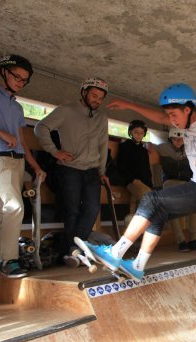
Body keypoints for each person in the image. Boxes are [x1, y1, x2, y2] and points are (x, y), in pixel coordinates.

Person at [85, 83, 196, 279]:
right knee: (157, 214)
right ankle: (137, 265)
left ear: (188, 109)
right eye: (169, 115)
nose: (171, 120)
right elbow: (159, 117)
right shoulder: (186, 123)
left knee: (151, 200)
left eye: (174, 114)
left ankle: (115, 253)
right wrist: (129, 105)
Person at [0, 54, 45, 277]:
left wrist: (36, 167)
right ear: (4, 72)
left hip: (18, 160)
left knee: (2, 212)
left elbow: (22, 141)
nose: (20, 82)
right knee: (15, 206)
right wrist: (0, 133)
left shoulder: (18, 108)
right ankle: (9, 260)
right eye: (16, 76)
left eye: (24, 80)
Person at [34, 77, 110, 265]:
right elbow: (40, 127)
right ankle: (72, 252)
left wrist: (102, 171)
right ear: (83, 92)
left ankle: (73, 250)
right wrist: (55, 152)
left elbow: (103, 145)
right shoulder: (66, 110)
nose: (97, 101)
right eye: (94, 95)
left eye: (101, 98)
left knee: (93, 208)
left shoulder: (102, 117)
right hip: (69, 169)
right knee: (72, 211)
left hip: (92, 170)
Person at [156, 127, 196, 252]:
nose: (178, 141)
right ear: (170, 139)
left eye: (181, 139)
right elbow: (148, 146)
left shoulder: (190, 149)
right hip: (170, 181)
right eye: (175, 139)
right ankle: (181, 241)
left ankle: (193, 240)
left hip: (186, 182)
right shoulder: (162, 148)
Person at [117, 119, 153, 206]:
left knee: (148, 195)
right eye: (136, 132)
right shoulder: (124, 147)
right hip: (131, 181)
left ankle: (134, 217)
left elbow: (147, 169)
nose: (139, 135)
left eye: (141, 133)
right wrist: (133, 180)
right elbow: (122, 166)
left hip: (144, 183)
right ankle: (142, 218)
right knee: (146, 196)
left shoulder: (144, 151)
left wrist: (149, 185)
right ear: (130, 132)